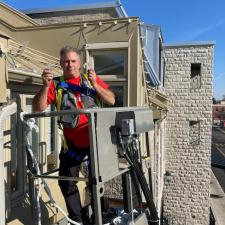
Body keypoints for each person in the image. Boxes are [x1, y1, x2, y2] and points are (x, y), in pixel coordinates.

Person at [32, 46, 115, 224]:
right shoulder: (55, 84)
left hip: (95, 142)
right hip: (72, 145)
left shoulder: (89, 79)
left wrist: (95, 85)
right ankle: (77, 219)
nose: (70, 64)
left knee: (96, 182)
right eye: (66, 61)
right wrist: (45, 87)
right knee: (66, 182)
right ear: (61, 64)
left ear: (80, 63)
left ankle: (98, 217)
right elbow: (37, 108)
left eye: (73, 61)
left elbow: (111, 100)